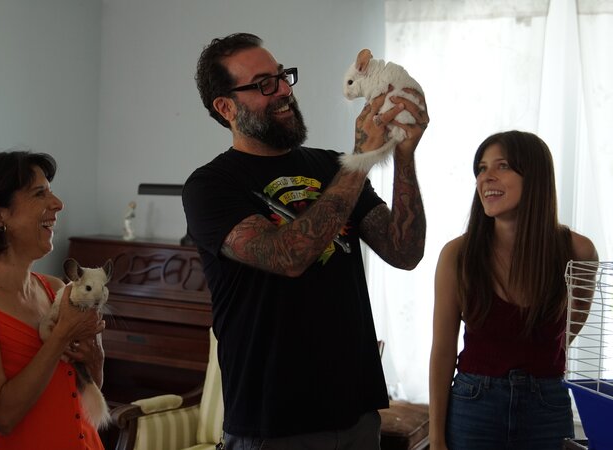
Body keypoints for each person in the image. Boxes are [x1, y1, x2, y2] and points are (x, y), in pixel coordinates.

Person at [183, 33, 428, 449]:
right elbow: (288, 255)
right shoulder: (210, 186)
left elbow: (404, 251)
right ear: (225, 107)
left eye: (282, 77)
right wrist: (360, 161)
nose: (283, 91)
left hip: (357, 416)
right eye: (264, 84)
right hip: (271, 423)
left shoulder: (329, 164)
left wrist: (403, 154)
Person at [429, 130, 598, 450]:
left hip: (547, 407)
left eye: (502, 165)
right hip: (473, 405)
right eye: (481, 168)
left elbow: (569, 329)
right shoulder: (457, 255)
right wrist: (436, 439)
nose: (486, 177)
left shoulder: (579, 251)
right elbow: (442, 350)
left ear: (535, 176)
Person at [0, 151, 105, 450]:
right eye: (39, 193)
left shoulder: (56, 288)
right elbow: (2, 416)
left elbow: (82, 392)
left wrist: (95, 357)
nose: (58, 203)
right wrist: (61, 336)